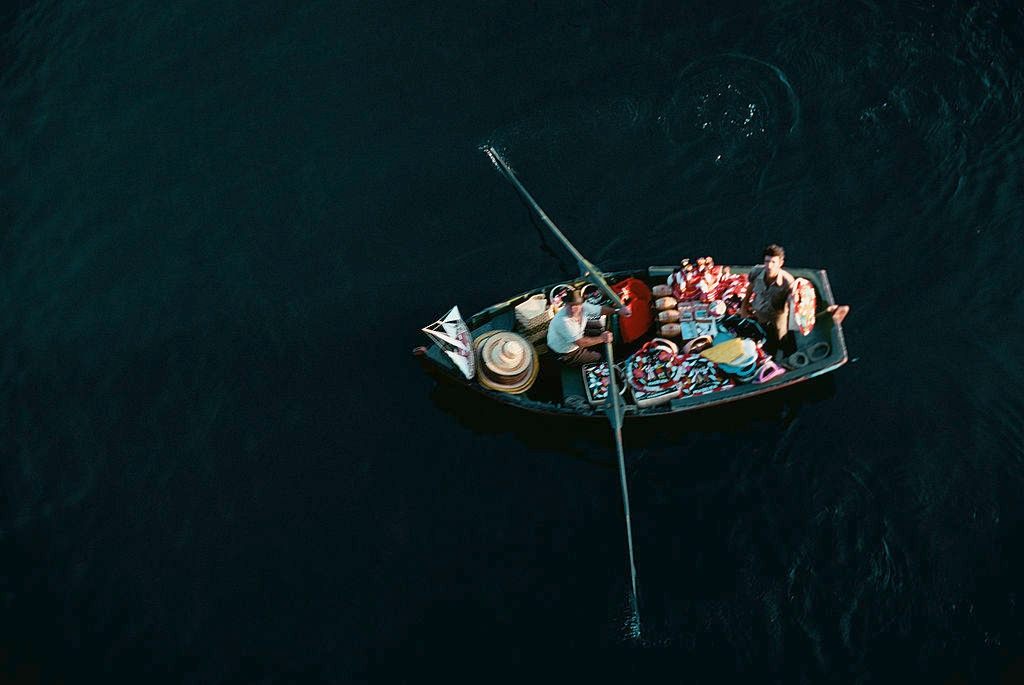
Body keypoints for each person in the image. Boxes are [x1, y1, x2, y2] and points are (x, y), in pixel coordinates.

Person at [739, 244, 797, 358]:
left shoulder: (788, 282)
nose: (769, 266)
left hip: (777, 316)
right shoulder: (756, 272)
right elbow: (750, 288)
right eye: (767, 261)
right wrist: (744, 307)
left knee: (781, 337)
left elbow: (794, 302)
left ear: (780, 263)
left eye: (773, 262)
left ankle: (785, 355)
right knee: (762, 334)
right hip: (760, 313)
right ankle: (768, 355)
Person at [546, 288, 629, 366]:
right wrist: (602, 338)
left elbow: (600, 310)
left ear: (581, 305)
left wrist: (617, 311)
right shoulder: (563, 321)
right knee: (598, 357)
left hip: (577, 335)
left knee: (600, 329)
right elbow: (581, 343)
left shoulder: (584, 307)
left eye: (576, 305)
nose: (572, 309)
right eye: (569, 305)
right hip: (566, 352)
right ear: (566, 305)